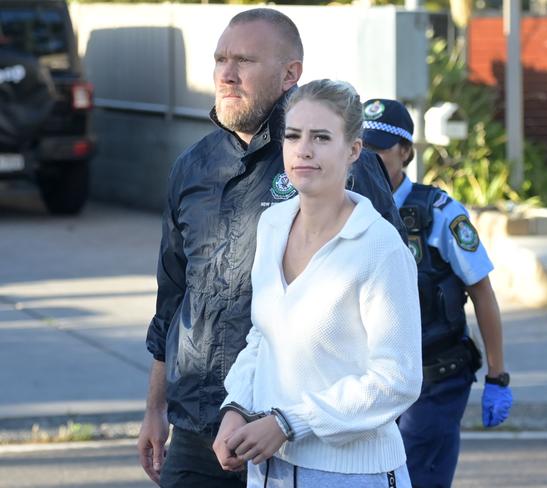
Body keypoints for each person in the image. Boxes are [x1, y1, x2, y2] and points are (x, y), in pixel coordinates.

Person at [137, 9, 405, 488]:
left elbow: (391, 308)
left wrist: (309, 420)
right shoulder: (191, 168)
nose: (227, 73)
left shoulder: (332, 166)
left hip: (303, 437)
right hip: (204, 431)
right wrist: (156, 408)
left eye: (244, 60)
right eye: (220, 59)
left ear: (290, 75)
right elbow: (173, 297)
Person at [213, 79, 422, 488]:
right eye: (293, 136)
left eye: (322, 138)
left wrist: (290, 422)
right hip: (268, 470)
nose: (303, 149)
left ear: (354, 151)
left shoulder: (380, 247)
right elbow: (263, 337)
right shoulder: (273, 225)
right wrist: (235, 408)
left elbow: (398, 379)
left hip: (353, 475)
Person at [361, 98, 514, 488]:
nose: (369, 159)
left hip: (435, 378)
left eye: (380, 149)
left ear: (406, 152)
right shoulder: (347, 207)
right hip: (369, 379)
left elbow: (481, 290)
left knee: (419, 477)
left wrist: (498, 376)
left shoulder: (439, 212)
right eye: (361, 148)